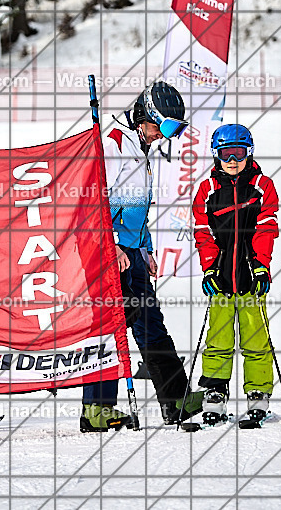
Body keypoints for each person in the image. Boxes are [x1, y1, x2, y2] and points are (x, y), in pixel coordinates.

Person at [80, 81, 205, 432]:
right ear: (142, 116)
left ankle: (175, 399)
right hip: (108, 251)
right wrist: (113, 244)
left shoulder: (141, 147)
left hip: (132, 251)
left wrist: (145, 246)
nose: (163, 136)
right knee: (110, 328)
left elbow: (136, 207)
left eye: (171, 130)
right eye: (160, 126)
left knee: (150, 324)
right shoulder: (113, 144)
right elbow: (92, 200)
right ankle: (96, 409)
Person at [191, 124, 280, 425]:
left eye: (238, 153)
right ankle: (215, 393)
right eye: (225, 154)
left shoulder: (261, 186)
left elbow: (267, 228)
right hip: (222, 279)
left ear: (248, 153)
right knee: (218, 338)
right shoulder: (207, 190)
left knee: (256, 338)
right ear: (216, 155)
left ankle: (258, 394)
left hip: (251, 277)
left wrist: (261, 264)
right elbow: (203, 234)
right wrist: (209, 268)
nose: (232, 160)